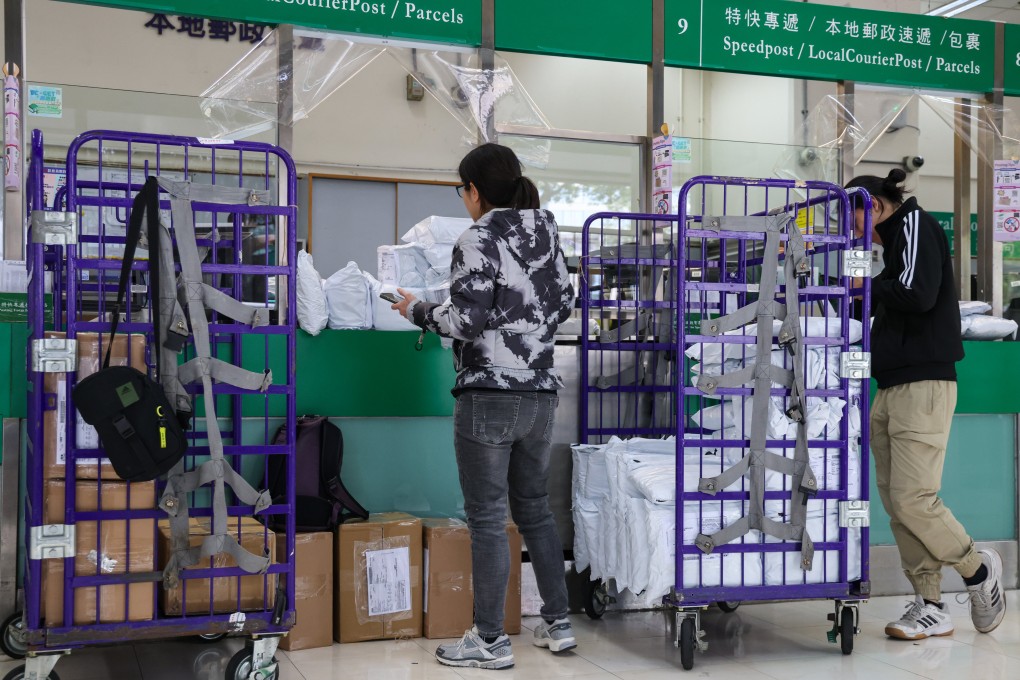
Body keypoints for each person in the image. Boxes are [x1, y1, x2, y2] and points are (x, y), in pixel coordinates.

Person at [393, 143, 576, 669]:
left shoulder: (478, 237)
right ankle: (558, 624)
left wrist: (418, 310)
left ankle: (491, 640)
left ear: (474, 191)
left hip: (489, 396)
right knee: (536, 510)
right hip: (540, 392)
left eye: (462, 190)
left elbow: (466, 322)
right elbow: (562, 304)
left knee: (489, 519)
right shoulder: (546, 232)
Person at [847, 168, 1006, 640]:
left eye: (850, 217)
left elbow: (917, 295)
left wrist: (866, 289)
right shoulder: (890, 245)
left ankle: (978, 570)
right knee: (898, 504)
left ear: (873, 205)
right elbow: (891, 296)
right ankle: (930, 604)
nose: (850, 230)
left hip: (924, 384)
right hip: (891, 384)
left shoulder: (914, 226)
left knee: (916, 499)